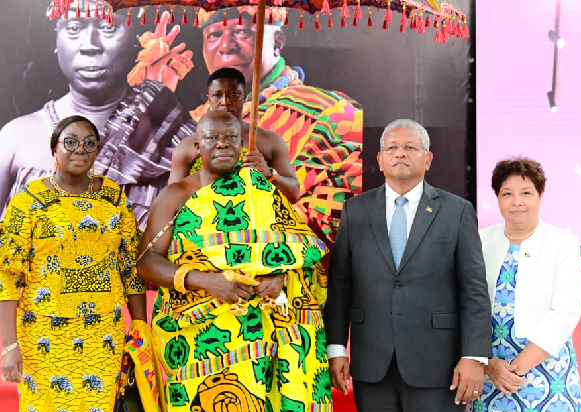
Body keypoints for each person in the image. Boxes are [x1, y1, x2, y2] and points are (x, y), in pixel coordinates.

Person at [136, 110, 334, 412]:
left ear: (242, 144)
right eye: (213, 138)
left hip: (267, 340)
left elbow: (304, 250)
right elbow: (146, 263)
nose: (223, 145)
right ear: (198, 146)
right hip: (198, 341)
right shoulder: (177, 195)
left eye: (231, 137)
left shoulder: (265, 193)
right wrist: (206, 282)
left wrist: (282, 274)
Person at [324, 118, 492, 412]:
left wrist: (474, 356)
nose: (401, 154)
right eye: (393, 148)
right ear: (380, 159)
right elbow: (340, 284)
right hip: (373, 366)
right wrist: (337, 348)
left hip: (438, 368)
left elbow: (473, 290)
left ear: (427, 159)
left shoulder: (456, 211)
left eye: (410, 147)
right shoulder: (356, 211)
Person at [135, 7, 363, 248]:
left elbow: (341, 220)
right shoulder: (193, 126)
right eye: (213, 35)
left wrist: (267, 181)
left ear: (277, 43)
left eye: (242, 32)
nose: (225, 46)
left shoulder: (330, 114)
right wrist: (151, 98)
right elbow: (161, 212)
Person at [0, 115, 147, 412]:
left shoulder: (113, 199)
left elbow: (130, 267)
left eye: (89, 143)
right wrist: (9, 347)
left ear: (98, 150)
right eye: (70, 142)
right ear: (54, 148)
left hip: (103, 339)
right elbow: (6, 275)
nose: (80, 150)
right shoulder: (28, 203)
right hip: (45, 340)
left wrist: (139, 326)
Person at [0, 3, 196, 228]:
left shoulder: (175, 139)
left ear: (136, 39)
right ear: (55, 40)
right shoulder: (15, 139)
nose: (90, 46)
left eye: (108, 27)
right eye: (74, 28)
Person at [462, 158, 581, 412]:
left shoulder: (562, 242)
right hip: (489, 372)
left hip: (544, 373)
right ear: (498, 198)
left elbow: (565, 312)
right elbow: (468, 304)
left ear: (540, 196)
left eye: (526, 193)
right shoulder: (480, 240)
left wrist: (515, 370)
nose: (517, 202)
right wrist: (491, 366)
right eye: (507, 193)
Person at [168, 67, 301, 204]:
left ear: (244, 97)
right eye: (217, 95)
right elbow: (171, 200)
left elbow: (294, 195)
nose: (225, 101)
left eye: (233, 94)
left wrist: (268, 174)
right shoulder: (189, 146)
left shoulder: (268, 141)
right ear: (209, 99)